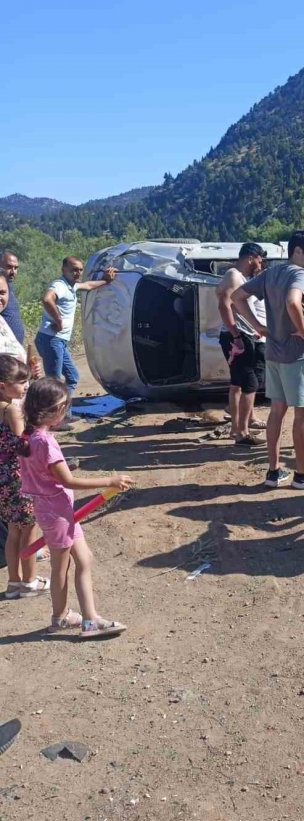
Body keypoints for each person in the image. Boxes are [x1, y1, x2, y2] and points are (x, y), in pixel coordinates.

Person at [20, 377, 132, 637]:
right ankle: (81, 620)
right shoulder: (44, 443)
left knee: (84, 560)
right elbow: (66, 480)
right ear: (49, 410)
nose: (65, 411)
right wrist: (110, 481)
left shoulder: (30, 437)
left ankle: (69, 617)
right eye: (62, 406)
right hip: (57, 513)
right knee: (61, 568)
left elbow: (46, 473)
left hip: (57, 511)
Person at [233, 229, 304, 491]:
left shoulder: (271, 273)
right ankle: (302, 474)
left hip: (274, 354)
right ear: (297, 252)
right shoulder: (300, 274)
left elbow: (236, 297)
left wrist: (259, 326)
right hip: (298, 355)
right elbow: (293, 302)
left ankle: (274, 471)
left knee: (277, 412)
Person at [0, 355, 49, 599]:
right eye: (21, 382)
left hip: (2, 481)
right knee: (28, 529)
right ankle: (30, 582)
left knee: (12, 532)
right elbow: (24, 446)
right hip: (19, 478)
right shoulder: (11, 410)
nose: (25, 386)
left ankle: (13, 583)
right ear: (3, 385)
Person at [35, 257, 116, 400]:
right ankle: (50, 416)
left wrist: (105, 280)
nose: (77, 273)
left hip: (58, 341)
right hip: (51, 339)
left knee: (72, 377)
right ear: (63, 270)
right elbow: (47, 299)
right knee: (53, 382)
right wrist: (58, 320)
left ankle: (64, 413)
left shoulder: (71, 286)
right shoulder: (60, 285)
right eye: (73, 269)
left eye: (80, 269)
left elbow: (88, 285)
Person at [217, 241, 268, 446]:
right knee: (250, 383)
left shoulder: (242, 278)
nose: (260, 262)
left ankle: (236, 429)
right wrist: (236, 335)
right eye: (259, 259)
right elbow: (224, 304)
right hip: (238, 336)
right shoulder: (233, 275)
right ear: (250, 257)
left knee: (239, 382)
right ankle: (242, 433)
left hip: (246, 334)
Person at [0, 250, 24, 344]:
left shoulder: (8, 287)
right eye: (9, 267)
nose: (13, 271)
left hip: (12, 350)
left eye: (16, 268)